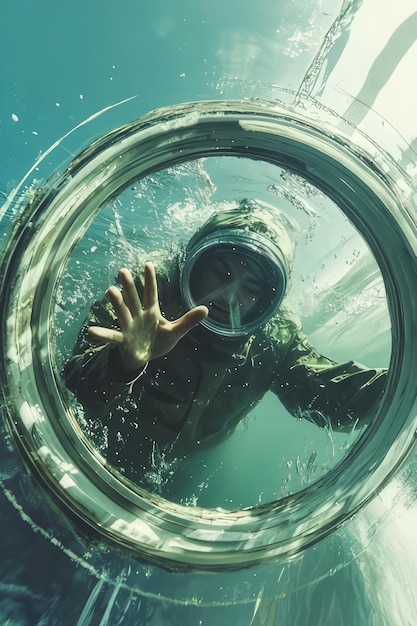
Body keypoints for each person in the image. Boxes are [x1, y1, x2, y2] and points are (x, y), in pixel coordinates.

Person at [64, 199, 387, 478]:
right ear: (194, 261)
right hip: (92, 451)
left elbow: (332, 398)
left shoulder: (274, 337)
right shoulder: (148, 293)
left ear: (267, 300)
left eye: (251, 288)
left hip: (189, 464)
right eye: (221, 272)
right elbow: (74, 389)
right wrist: (125, 362)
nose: (231, 296)